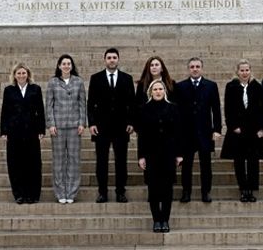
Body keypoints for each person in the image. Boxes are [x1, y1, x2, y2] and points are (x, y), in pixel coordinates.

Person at [135, 79, 183, 233]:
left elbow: (178, 133)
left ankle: (165, 220)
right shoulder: (143, 109)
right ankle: (156, 220)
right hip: (151, 154)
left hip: (168, 153)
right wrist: (141, 156)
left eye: (160, 89)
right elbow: (141, 135)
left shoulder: (173, 108)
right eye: (155, 89)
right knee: (153, 189)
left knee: (167, 189)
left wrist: (179, 154)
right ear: (151, 92)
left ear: (164, 91)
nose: (158, 91)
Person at [88, 47, 134, 203]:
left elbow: (131, 103)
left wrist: (131, 122)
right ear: (105, 60)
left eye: (114, 57)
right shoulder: (96, 78)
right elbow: (91, 103)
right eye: (109, 57)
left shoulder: (127, 78)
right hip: (101, 127)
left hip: (121, 127)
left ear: (118, 59)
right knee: (101, 162)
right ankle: (103, 193)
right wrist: (91, 123)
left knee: (121, 161)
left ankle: (121, 192)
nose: (112, 60)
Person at [173, 56, 221, 203]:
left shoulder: (211, 86)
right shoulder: (180, 86)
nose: (195, 69)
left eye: (197, 66)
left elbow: (216, 109)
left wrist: (217, 129)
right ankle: (186, 192)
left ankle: (206, 191)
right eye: (192, 67)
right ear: (188, 69)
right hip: (186, 133)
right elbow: (177, 111)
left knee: (205, 165)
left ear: (202, 68)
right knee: (186, 165)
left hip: (205, 132)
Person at [222, 60, 263, 202]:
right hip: (238, 131)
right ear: (237, 72)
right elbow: (228, 108)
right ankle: (243, 189)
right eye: (242, 70)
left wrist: (262, 128)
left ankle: (251, 190)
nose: (244, 73)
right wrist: (233, 126)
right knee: (239, 161)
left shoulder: (257, 87)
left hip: (254, 131)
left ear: (250, 71)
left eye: (247, 70)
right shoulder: (231, 87)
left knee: (253, 162)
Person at [0, 62, 45, 204]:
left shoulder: (35, 89)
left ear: (28, 74)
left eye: (23, 73)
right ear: (14, 75)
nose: (21, 75)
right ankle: (19, 194)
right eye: (18, 73)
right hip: (14, 131)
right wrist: (3, 130)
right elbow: (4, 111)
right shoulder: (9, 90)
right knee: (15, 163)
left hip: (31, 131)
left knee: (33, 163)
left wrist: (41, 129)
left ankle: (33, 194)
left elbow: (41, 111)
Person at [44, 54, 86, 203]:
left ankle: (72, 192)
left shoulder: (78, 82)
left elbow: (82, 104)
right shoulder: (53, 83)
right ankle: (60, 192)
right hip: (58, 127)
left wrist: (82, 122)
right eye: (64, 63)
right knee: (59, 160)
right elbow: (49, 105)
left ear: (72, 66)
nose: (67, 66)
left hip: (75, 126)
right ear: (59, 66)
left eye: (69, 63)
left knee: (74, 160)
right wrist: (51, 124)